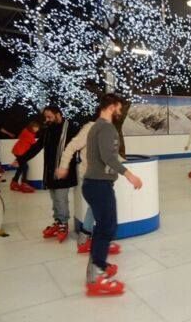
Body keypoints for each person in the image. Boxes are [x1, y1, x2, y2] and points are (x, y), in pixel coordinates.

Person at [83, 94, 142, 296]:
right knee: (107, 227)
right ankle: (97, 274)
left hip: (96, 184)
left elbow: (105, 154)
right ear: (111, 106)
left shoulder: (96, 126)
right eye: (119, 107)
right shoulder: (106, 128)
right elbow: (108, 156)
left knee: (105, 227)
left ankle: (96, 268)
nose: (120, 111)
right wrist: (129, 174)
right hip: (99, 185)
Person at [56, 114, 121, 256]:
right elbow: (71, 147)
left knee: (95, 207)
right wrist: (63, 166)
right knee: (102, 210)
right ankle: (96, 245)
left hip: (103, 177)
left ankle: (85, 239)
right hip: (93, 176)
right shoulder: (90, 128)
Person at [21, 106, 78, 243]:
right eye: (45, 117)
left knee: (60, 198)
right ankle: (58, 221)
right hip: (50, 171)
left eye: (49, 117)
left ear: (58, 114)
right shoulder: (47, 130)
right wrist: (21, 159)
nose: (47, 120)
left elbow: (79, 145)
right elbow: (38, 146)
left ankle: (63, 224)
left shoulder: (70, 128)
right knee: (54, 198)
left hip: (64, 171)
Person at [10, 121, 40, 193]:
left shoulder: (26, 130)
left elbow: (21, 137)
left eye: (38, 128)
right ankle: (23, 184)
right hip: (20, 152)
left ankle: (14, 182)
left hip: (18, 151)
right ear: (31, 127)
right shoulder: (28, 134)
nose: (37, 129)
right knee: (25, 167)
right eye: (35, 127)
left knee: (22, 167)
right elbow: (34, 144)